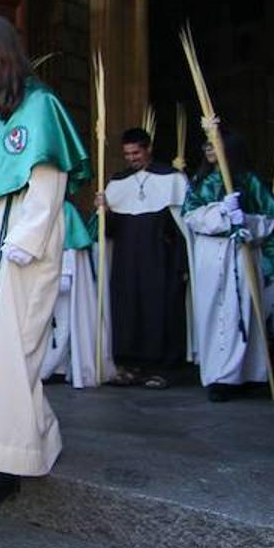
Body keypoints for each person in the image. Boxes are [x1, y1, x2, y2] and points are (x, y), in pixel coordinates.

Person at [0, 15, 90, 512]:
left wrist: (27, 241)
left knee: (9, 352)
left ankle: (0, 468)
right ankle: (34, 438)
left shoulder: (39, 107)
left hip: (18, 237)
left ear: (0, 49)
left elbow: (49, 182)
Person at [183, 130, 274, 401]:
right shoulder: (200, 181)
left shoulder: (249, 181)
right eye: (206, 144)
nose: (208, 148)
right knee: (214, 310)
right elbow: (191, 215)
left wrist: (246, 221)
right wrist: (221, 213)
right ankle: (220, 375)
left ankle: (249, 372)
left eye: (215, 143)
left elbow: (270, 219)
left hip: (241, 252)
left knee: (244, 309)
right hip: (211, 255)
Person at [97, 127, 192, 388]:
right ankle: (130, 365)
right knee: (127, 309)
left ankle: (161, 369)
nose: (131, 158)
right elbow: (111, 231)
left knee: (159, 310)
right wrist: (105, 210)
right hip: (127, 259)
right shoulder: (117, 182)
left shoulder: (172, 178)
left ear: (148, 148)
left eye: (136, 152)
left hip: (161, 256)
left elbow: (185, 225)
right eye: (127, 154)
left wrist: (182, 263)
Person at [39, 203, 112, 389]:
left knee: (61, 323)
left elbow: (71, 244)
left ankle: (52, 368)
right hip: (39, 274)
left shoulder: (66, 210)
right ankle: (48, 367)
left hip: (61, 271)